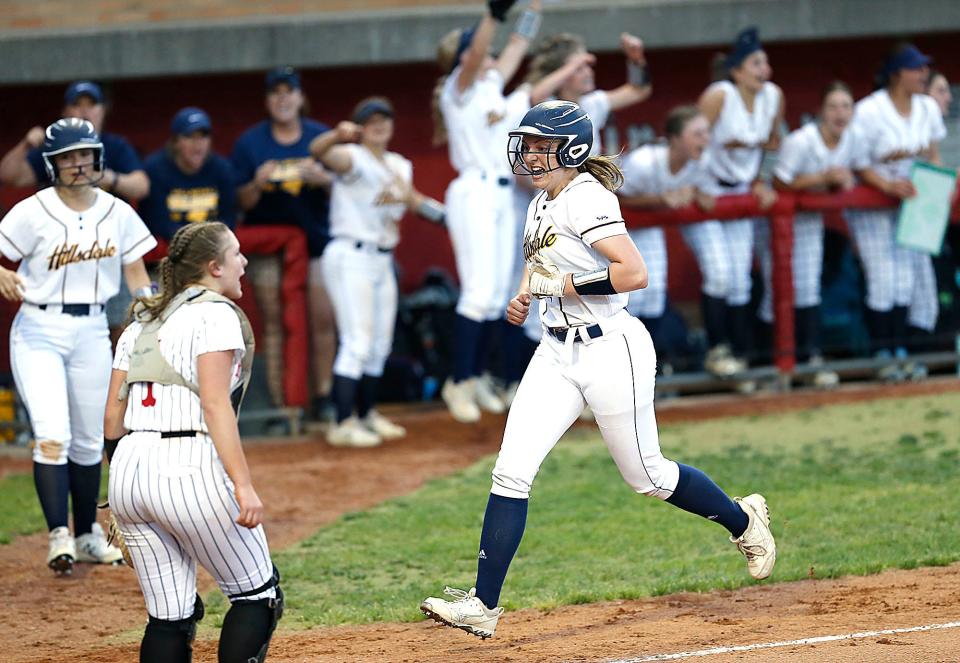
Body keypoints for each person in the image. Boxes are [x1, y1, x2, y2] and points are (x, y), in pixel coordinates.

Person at [420, 100, 777, 639]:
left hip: (612, 348)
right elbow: (539, 264)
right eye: (531, 144)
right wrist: (524, 295)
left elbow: (634, 272)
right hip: (556, 350)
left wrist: (561, 287)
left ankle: (743, 520)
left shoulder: (587, 197)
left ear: (573, 149)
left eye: (543, 145)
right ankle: (482, 605)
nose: (531, 154)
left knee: (648, 477)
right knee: (510, 472)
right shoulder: (543, 199)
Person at [103, 221, 283, 663]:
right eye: (236, 254)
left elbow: (111, 418)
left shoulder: (141, 319)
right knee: (258, 596)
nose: (243, 262)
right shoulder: (216, 313)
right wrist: (242, 485)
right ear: (213, 266)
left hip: (128, 472)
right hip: (188, 468)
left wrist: (109, 500)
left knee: (170, 617)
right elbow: (215, 405)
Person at [0, 118, 156, 576]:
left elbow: (136, 273)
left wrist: (151, 312)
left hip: (91, 329)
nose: (77, 163)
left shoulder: (117, 210)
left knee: (91, 439)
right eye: (67, 156)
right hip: (39, 328)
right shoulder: (33, 210)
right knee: (52, 435)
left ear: (97, 157)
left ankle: (87, 534)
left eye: (84, 154)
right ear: (52, 164)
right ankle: (58, 536)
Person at [432, 0, 544, 423]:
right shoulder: (456, 89)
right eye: (479, 50)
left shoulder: (490, 84)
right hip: (472, 189)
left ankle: (476, 376)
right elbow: (478, 52)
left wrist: (534, 7)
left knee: (498, 294)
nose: (490, 56)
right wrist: (493, 15)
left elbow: (518, 43)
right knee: (478, 292)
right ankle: (457, 381)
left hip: (499, 192)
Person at [310, 97, 445, 447]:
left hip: (382, 258)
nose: (379, 125)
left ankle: (366, 415)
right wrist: (336, 135)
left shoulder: (399, 164)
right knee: (357, 341)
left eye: (384, 118)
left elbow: (413, 200)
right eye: (370, 120)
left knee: (379, 344)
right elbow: (319, 151)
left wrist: (450, 219)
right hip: (351, 253)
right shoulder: (352, 157)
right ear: (359, 126)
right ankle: (342, 422)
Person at [0, 80, 152, 340]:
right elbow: (10, 175)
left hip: (106, 244)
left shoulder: (114, 147)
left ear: (102, 110)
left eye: (91, 105)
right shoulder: (53, 147)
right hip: (59, 241)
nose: (77, 163)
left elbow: (141, 186)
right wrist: (27, 144)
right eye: (77, 104)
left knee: (121, 329)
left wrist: (107, 178)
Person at [232, 66, 335, 420]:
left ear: (300, 97)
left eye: (288, 91)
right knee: (276, 322)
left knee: (323, 320)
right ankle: (283, 406)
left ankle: (323, 396)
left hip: (316, 241)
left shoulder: (320, 137)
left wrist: (324, 179)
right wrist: (257, 184)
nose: (283, 98)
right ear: (267, 101)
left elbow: (349, 188)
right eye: (275, 92)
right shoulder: (251, 143)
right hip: (269, 245)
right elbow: (239, 203)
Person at [847, 43, 945, 379]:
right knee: (882, 280)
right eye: (916, 68)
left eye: (924, 68)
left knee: (905, 283)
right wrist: (886, 186)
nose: (923, 74)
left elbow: (933, 154)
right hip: (874, 205)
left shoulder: (927, 107)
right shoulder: (869, 110)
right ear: (896, 73)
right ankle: (881, 354)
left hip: (913, 203)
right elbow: (856, 163)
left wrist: (934, 187)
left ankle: (900, 351)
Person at [694, 27, 784, 376]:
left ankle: (739, 357)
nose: (765, 70)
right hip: (708, 191)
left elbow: (773, 142)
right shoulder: (720, 95)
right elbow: (693, 141)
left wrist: (762, 180)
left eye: (766, 63)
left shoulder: (773, 96)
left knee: (740, 280)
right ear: (736, 70)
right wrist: (694, 185)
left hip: (742, 192)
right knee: (718, 274)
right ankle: (718, 351)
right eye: (756, 63)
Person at [769, 82, 862, 387]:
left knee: (808, 287)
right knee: (775, 293)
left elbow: (853, 175)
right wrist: (823, 178)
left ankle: (809, 358)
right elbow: (779, 183)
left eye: (846, 106)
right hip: (775, 224)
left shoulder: (852, 140)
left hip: (809, 223)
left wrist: (841, 180)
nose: (840, 113)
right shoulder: (801, 141)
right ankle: (768, 362)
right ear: (821, 110)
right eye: (834, 106)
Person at [618, 105, 715, 358]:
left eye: (706, 133)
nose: (705, 140)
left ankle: (650, 364)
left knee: (655, 292)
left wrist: (698, 193)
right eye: (697, 134)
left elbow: (701, 189)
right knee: (631, 299)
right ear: (674, 139)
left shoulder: (701, 161)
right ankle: (624, 365)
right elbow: (612, 197)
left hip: (649, 228)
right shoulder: (643, 162)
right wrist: (660, 198)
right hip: (618, 232)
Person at [140, 107, 238, 241]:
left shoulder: (223, 169)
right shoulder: (155, 169)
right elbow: (157, 223)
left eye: (203, 136)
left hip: (212, 248)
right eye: (189, 136)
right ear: (175, 142)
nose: (197, 144)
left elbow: (228, 219)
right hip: (169, 252)